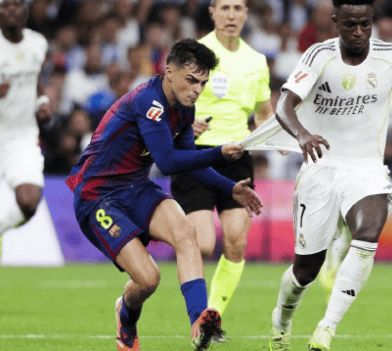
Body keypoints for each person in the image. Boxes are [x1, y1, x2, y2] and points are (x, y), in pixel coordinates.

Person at [263, 0, 392, 351]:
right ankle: (281, 324)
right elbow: (285, 104)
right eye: (350, 24)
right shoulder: (318, 57)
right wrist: (302, 135)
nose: (358, 32)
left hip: (367, 168)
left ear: (372, 20)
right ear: (335, 22)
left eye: (365, 23)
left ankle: (326, 330)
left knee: (368, 234)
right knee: (305, 271)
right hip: (321, 167)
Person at [65, 39, 263, 351]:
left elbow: (190, 163)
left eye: (203, 83)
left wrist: (230, 187)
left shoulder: (184, 109)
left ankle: (199, 320)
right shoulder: (149, 101)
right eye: (191, 80)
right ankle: (125, 315)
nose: (197, 90)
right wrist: (219, 152)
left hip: (136, 187)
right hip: (97, 195)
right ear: (169, 71)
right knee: (148, 279)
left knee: (187, 233)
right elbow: (168, 162)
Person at [170, 0, 274, 341]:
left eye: (237, 8)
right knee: (201, 244)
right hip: (196, 155)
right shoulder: (194, 54)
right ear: (212, 12)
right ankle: (198, 313)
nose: (231, 15)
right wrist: (184, 124)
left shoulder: (257, 61)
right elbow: (167, 100)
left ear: (246, 14)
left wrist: (271, 135)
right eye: (224, 8)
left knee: (235, 243)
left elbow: (264, 112)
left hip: (236, 157)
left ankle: (209, 318)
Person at [0, 0, 51, 256]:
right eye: (4, 5)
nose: (10, 9)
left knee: (29, 202)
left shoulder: (37, 43)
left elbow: (36, 79)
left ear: (24, 11)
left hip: (22, 136)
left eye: (15, 4)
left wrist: (42, 102)